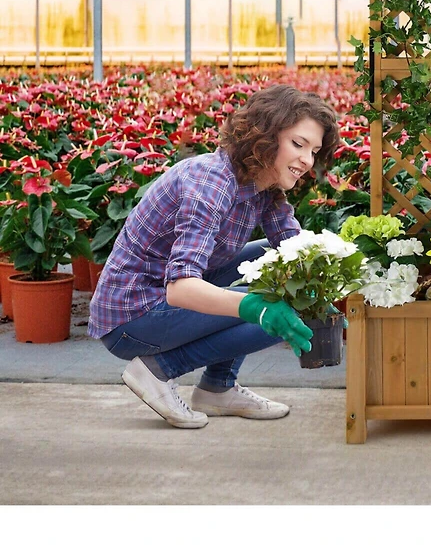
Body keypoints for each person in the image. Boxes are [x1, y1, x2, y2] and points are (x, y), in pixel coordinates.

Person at [88, 84, 340, 429]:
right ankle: (159, 370)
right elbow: (180, 289)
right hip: (132, 319)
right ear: (264, 136)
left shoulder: (263, 186)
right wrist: (259, 306)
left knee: (282, 265)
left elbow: (293, 249)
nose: (307, 161)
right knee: (284, 299)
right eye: (298, 144)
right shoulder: (212, 183)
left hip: (163, 304)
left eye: (313, 150)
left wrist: (327, 286)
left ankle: (217, 389)